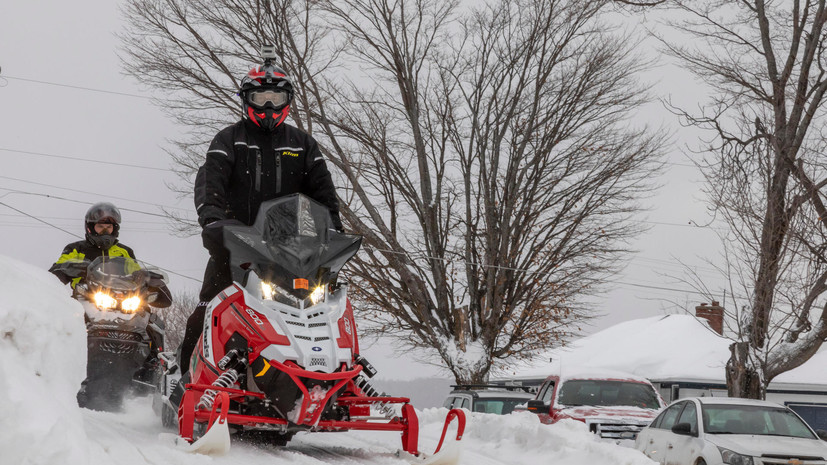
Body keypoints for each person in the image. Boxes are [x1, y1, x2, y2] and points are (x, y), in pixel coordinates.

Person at [178, 50, 343, 374]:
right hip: (236, 245)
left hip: (292, 251)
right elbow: (212, 182)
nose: (268, 106)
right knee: (207, 307)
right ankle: (187, 379)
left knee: (320, 310)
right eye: (260, 97)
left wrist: (332, 229)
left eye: (275, 97)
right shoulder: (229, 140)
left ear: (287, 100)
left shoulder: (302, 144)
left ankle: (325, 374)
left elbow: (323, 193)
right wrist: (213, 219)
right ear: (247, 99)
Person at [49, 202, 172, 387]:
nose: (105, 231)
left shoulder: (124, 252)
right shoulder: (76, 248)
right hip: (87, 299)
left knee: (152, 321)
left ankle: (154, 367)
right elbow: (56, 272)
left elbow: (136, 274)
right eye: (100, 226)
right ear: (90, 227)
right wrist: (70, 268)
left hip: (123, 301)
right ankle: (56, 363)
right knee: (62, 320)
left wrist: (148, 280)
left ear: (115, 229)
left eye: (109, 227)